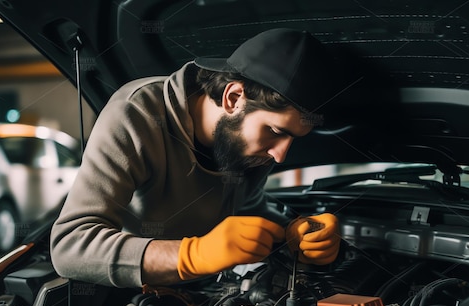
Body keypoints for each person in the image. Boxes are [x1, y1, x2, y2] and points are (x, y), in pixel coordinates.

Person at [50, 28, 342, 288]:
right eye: (275, 130)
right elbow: (71, 248)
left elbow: (246, 212)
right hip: (126, 297)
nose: (280, 155)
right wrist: (192, 255)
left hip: (208, 297)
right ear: (233, 98)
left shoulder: (251, 145)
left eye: (292, 138)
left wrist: (294, 232)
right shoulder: (135, 114)